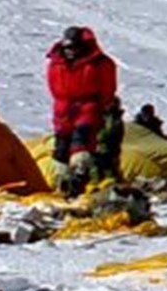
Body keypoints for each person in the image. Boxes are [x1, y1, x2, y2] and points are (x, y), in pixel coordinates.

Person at [46, 25, 119, 196]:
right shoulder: (57, 63)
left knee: (81, 146)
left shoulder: (98, 63)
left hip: (87, 108)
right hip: (63, 111)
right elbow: (53, 86)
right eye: (67, 47)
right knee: (61, 149)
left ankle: (78, 185)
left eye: (73, 47)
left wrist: (100, 106)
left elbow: (108, 88)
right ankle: (62, 186)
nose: (70, 51)